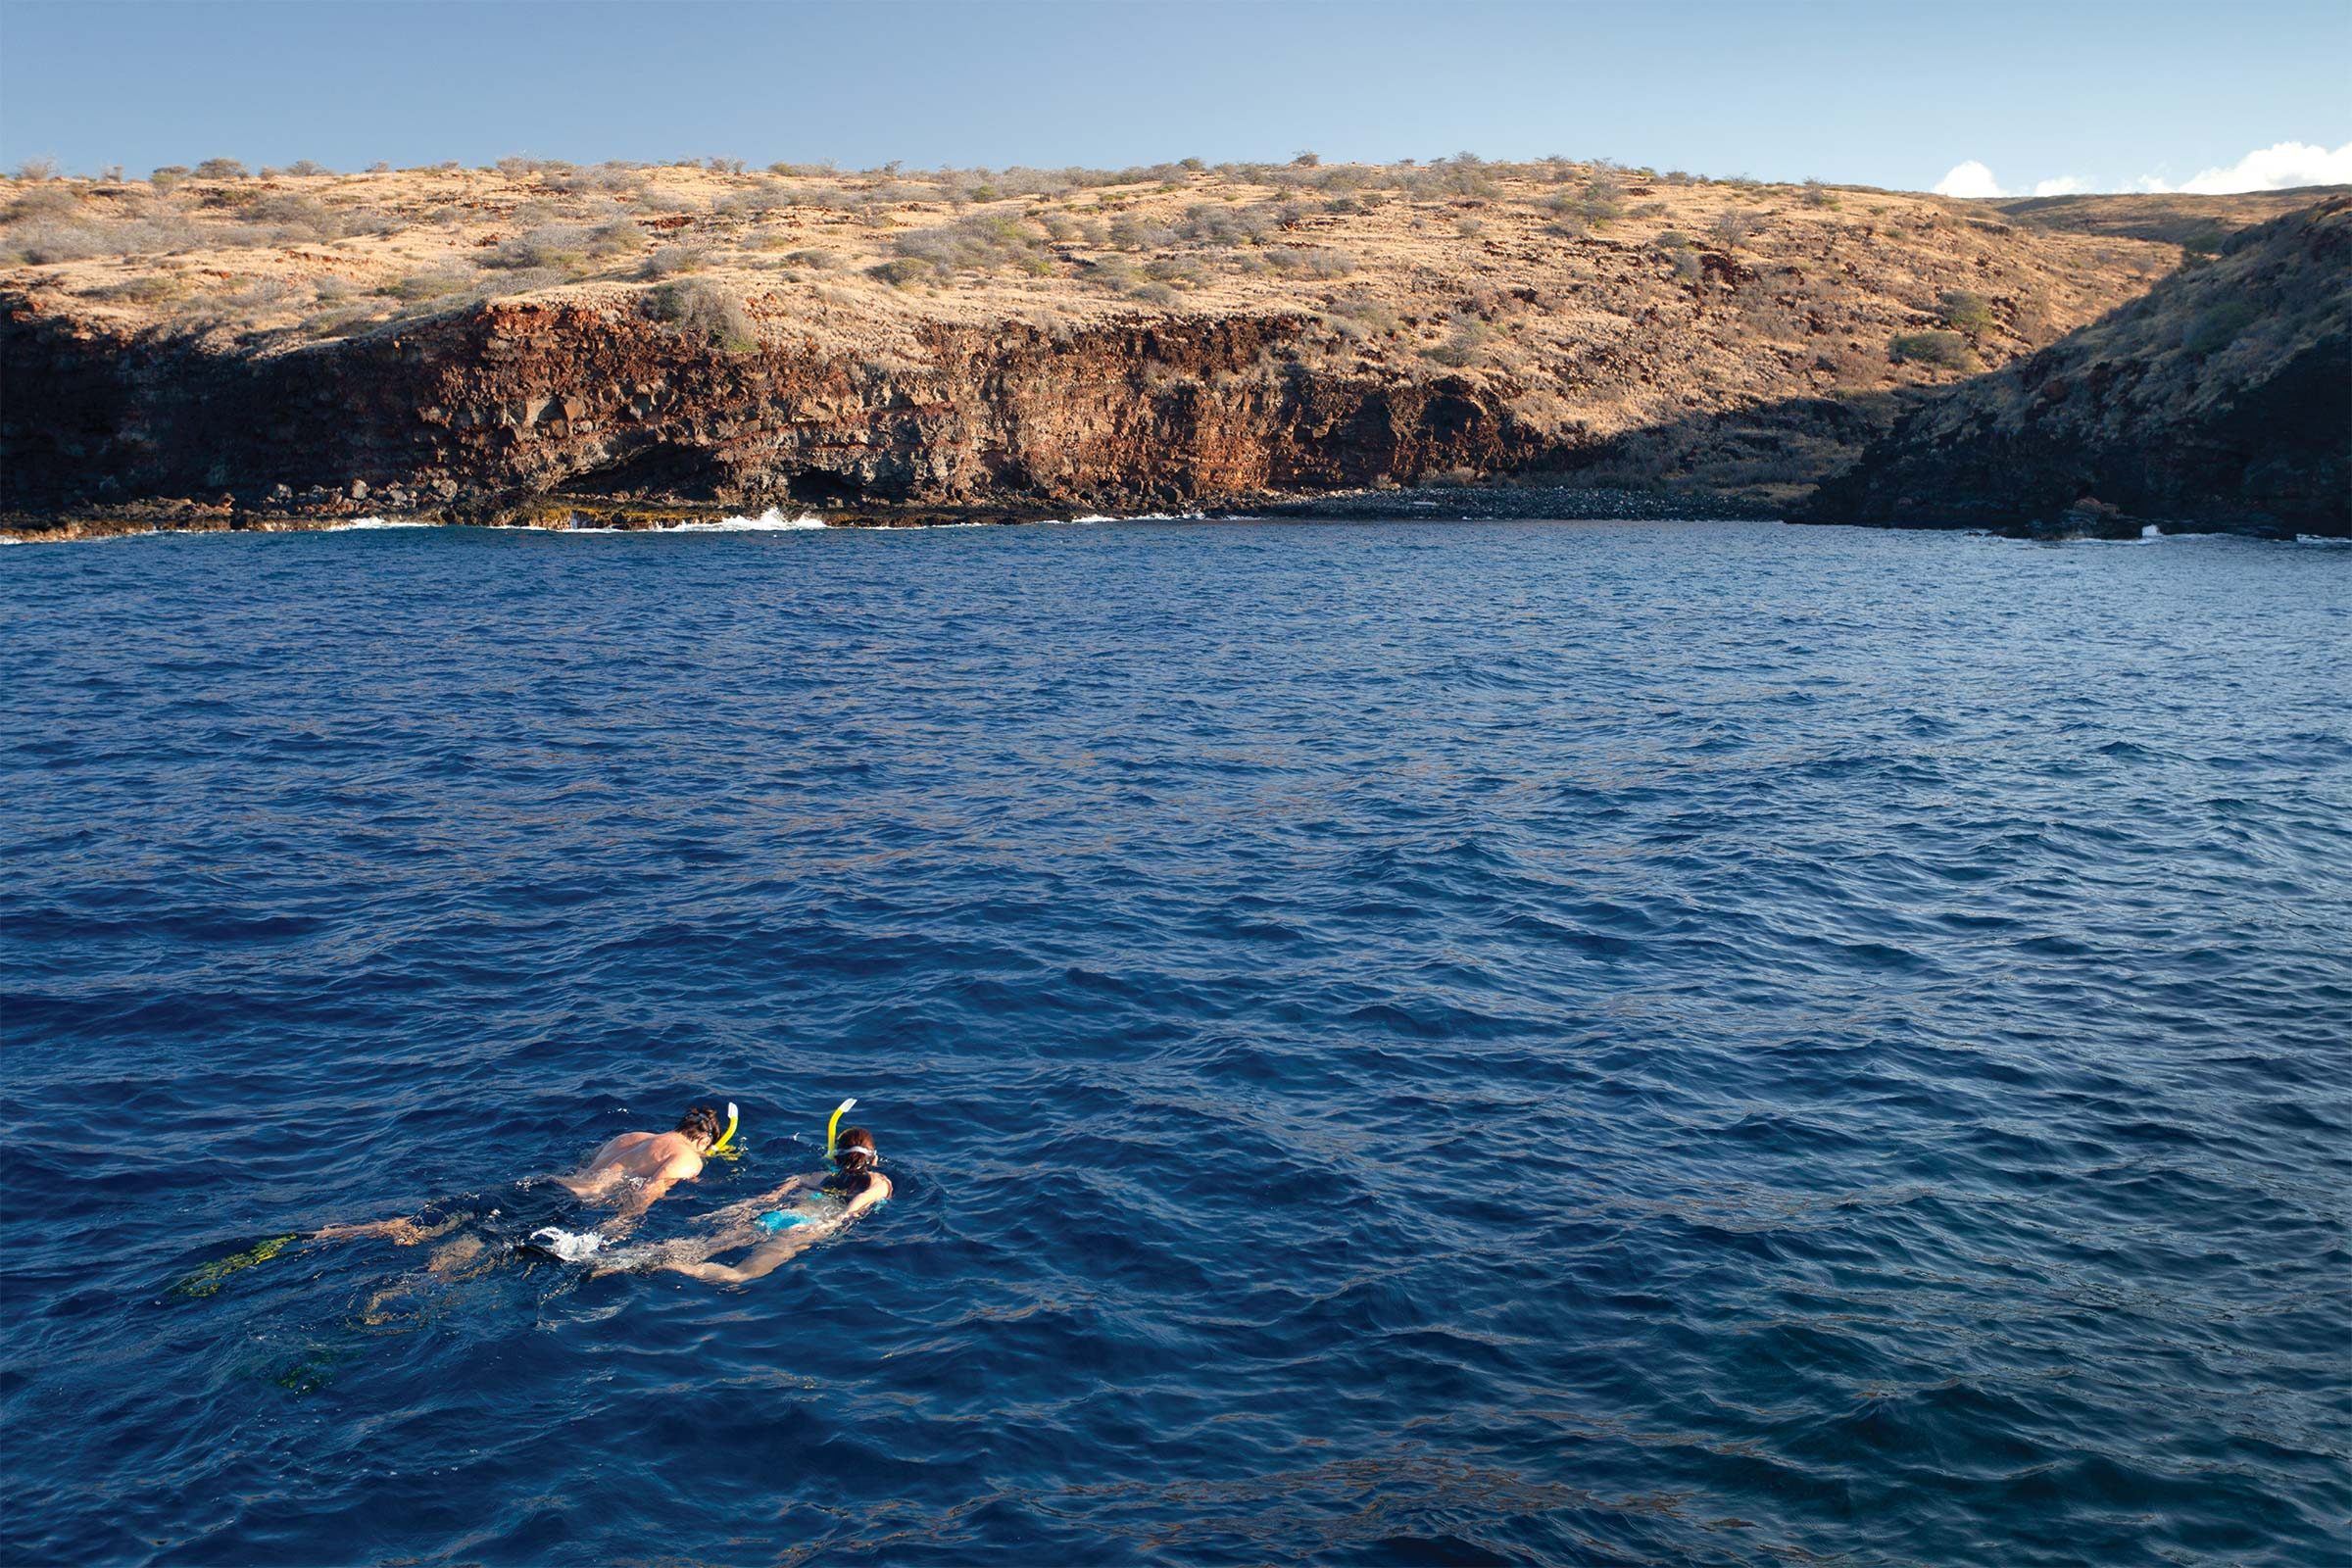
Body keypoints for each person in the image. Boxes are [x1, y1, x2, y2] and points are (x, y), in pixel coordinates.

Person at [311, 1104, 727, 1258]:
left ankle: (336, 1233)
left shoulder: (631, 1136)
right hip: (563, 1205)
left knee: (427, 1223)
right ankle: (409, 1286)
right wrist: (619, 1228)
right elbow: (649, 1191)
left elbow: (587, 1164)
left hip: (545, 1183)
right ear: (705, 1140)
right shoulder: (688, 1158)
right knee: (473, 1246)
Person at [614, 1125, 891, 1285]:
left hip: (777, 1217)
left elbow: (771, 1197)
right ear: (874, 1158)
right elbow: (856, 1205)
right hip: (806, 1228)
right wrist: (834, 1224)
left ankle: (629, 1256)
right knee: (740, 1274)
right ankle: (678, 1268)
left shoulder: (816, 1176)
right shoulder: (879, 1182)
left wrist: (731, 1211)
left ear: (835, 1156)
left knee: (702, 1246)